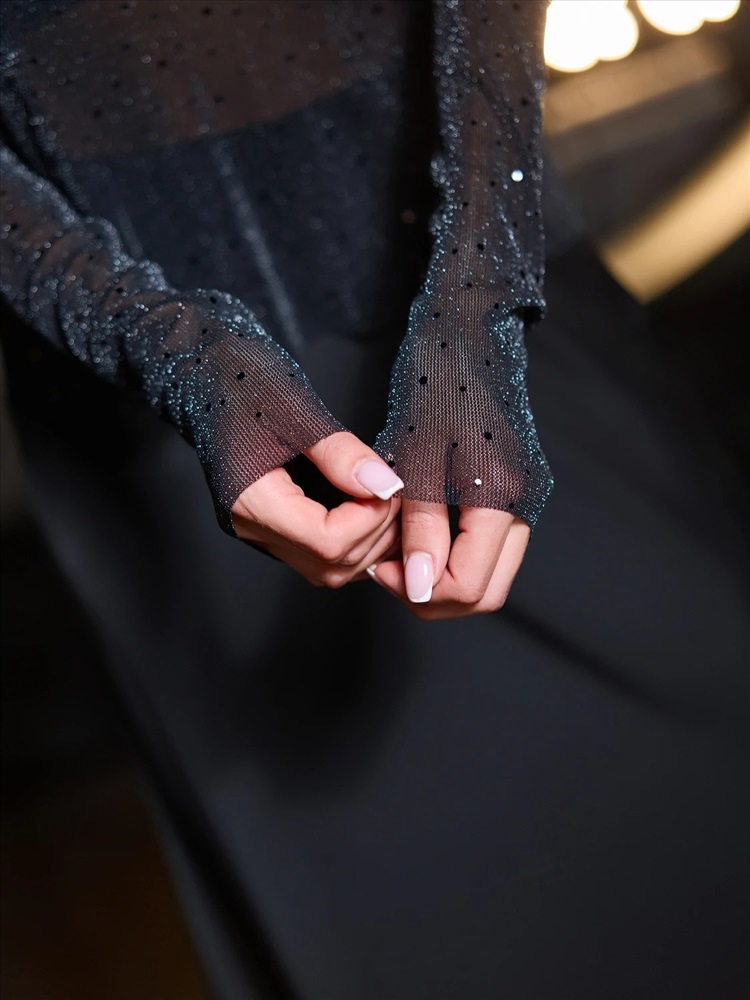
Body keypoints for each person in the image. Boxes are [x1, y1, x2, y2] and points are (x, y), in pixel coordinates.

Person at [1, 2, 748, 999]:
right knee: (391, 922)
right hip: (147, 417)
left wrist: (480, 288)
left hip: (487, 313)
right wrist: (162, 347)